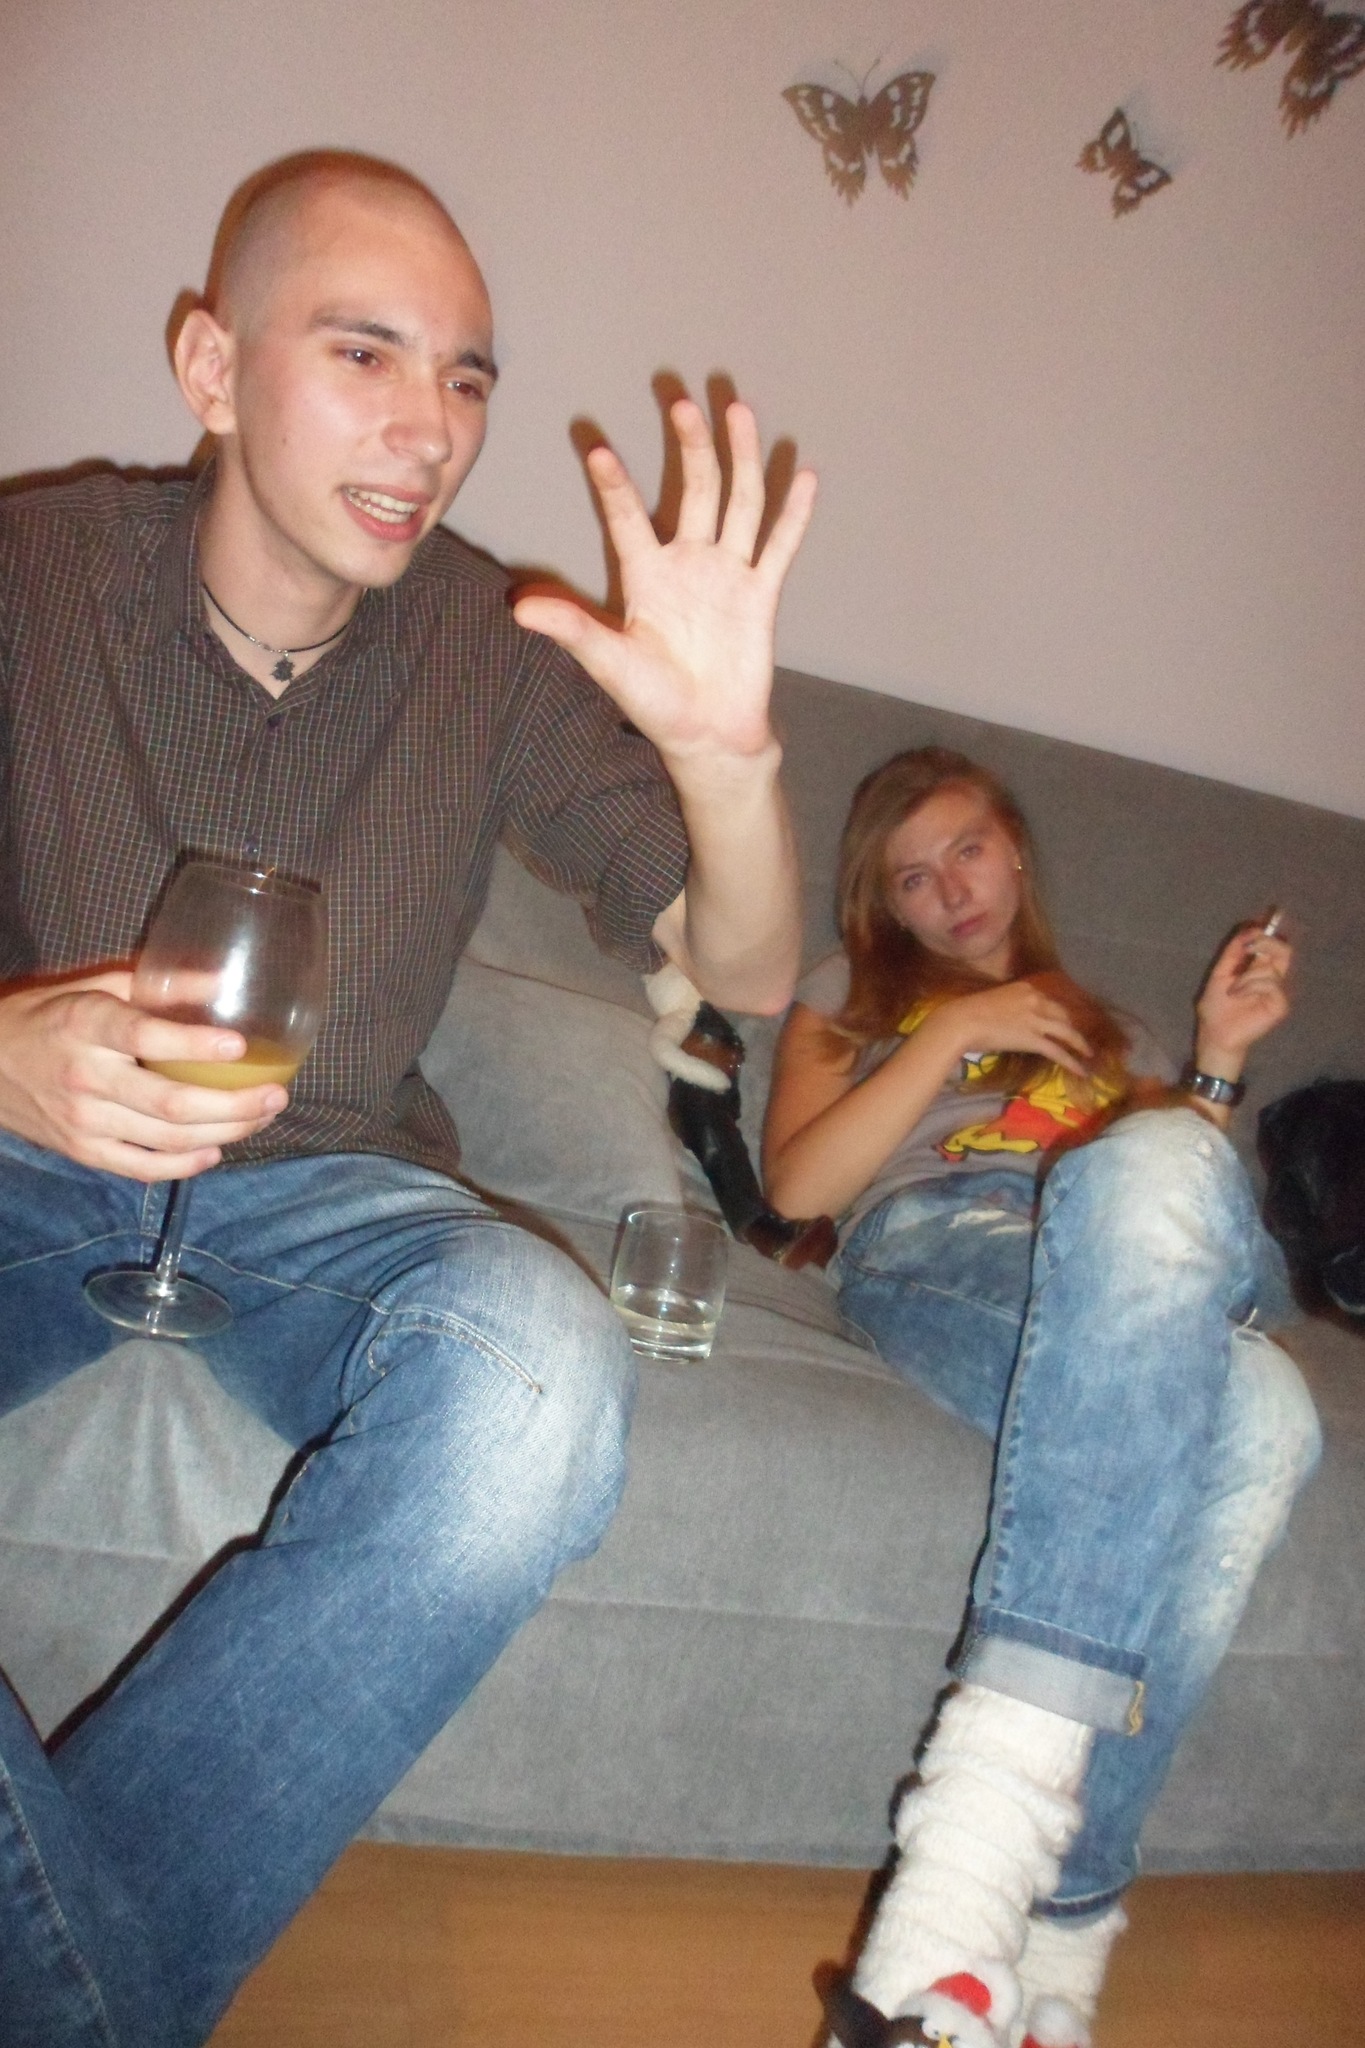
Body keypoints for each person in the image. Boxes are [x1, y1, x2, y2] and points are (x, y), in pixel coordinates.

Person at [0, 148, 815, 2046]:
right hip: (27, 1154)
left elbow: (752, 965)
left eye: (464, 377)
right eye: (363, 353)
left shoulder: (484, 646)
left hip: (318, 1198)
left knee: (541, 1375)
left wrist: (731, 761)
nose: (429, 426)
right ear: (212, 367)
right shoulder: (32, 574)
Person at [762, 747, 1321, 2048]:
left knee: (1250, 1372)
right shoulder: (850, 994)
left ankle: (997, 1936)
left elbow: (1164, 1220)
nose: (950, 889)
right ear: (884, 906)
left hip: (1110, 1264)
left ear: (1013, 848)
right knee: (1252, 1400)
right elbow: (797, 1189)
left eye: (965, 849)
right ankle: (1058, 1929)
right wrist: (953, 1030)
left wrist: (1215, 1058)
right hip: (937, 1241)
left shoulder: (1103, 1029)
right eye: (912, 877)